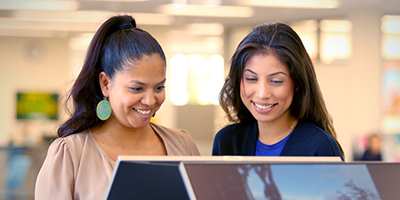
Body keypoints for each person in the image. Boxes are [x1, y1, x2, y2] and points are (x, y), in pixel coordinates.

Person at [35, 15, 200, 200]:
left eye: (159, 87)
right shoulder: (70, 154)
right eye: (137, 88)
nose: (150, 100)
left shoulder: (182, 145)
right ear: (106, 84)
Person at [212, 22, 344, 160]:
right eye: (251, 79)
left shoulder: (319, 146)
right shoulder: (227, 142)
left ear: (297, 83)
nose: (262, 94)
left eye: (276, 81)